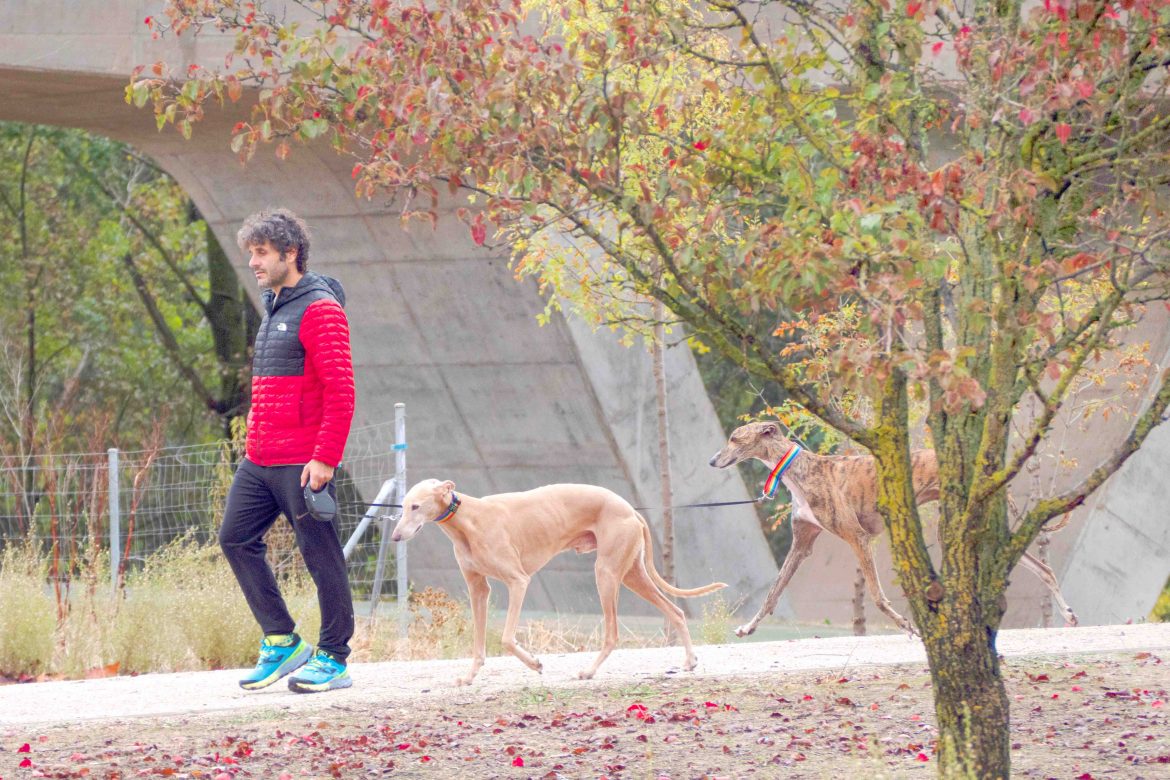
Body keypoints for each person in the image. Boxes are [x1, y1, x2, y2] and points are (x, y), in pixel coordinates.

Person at [219, 208, 356, 693]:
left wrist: (324, 458)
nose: (253, 262)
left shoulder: (319, 309)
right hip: (260, 458)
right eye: (251, 253)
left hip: (303, 461)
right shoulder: (275, 303)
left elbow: (341, 392)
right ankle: (281, 640)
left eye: (261, 253)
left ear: (289, 253)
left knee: (321, 556)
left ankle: (334, 657)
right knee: (235, 539)